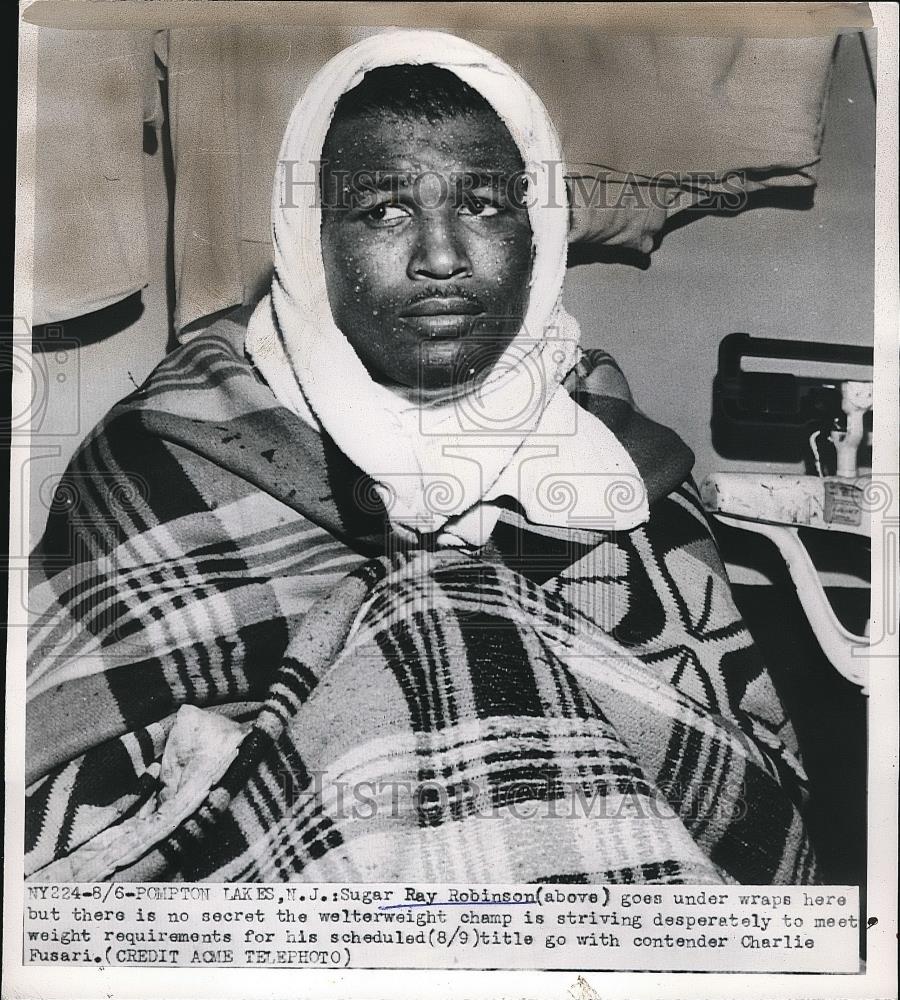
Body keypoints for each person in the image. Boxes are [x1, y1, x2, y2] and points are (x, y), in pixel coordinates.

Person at [26, 30, 815, 884]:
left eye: (484, 206)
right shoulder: (166, 449)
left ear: (540, 231)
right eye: (384, 211)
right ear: (310, 240)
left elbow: (745, 772)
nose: (441, 258)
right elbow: (63, 801)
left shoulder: (617, 454)